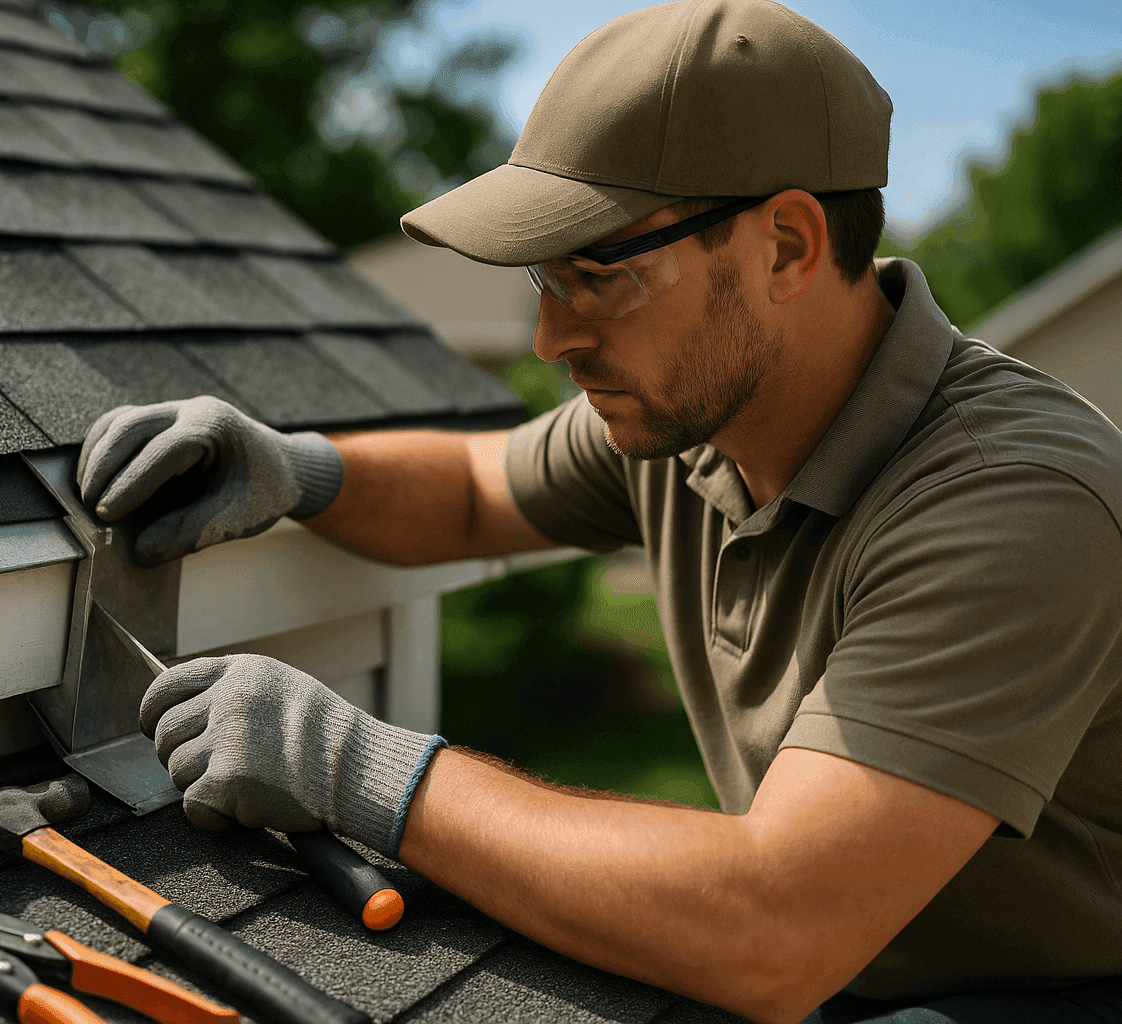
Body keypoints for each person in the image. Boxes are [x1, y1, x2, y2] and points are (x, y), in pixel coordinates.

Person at [75, 2, 1122, 1022]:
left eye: (595, 274)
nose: (548, 337)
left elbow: (775, 924)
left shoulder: (1015, 499)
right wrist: (294, 470)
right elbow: (480, 490)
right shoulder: (698, 411)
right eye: (545, 275)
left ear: (788, 248)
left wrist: (351, 763)